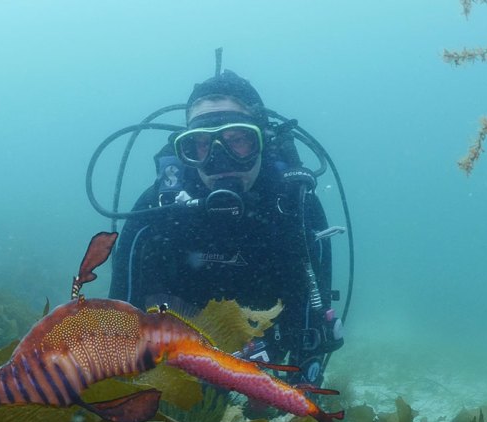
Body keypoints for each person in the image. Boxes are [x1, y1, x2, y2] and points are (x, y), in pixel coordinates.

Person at [108, 70, 344, 386]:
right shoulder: (157, 211)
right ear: (185, 151)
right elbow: (120, 322)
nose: (220, 160)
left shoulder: (295, 207)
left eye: (239, 140)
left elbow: (310, 330)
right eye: (200, 145)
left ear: (262, 140)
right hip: (171, 373)